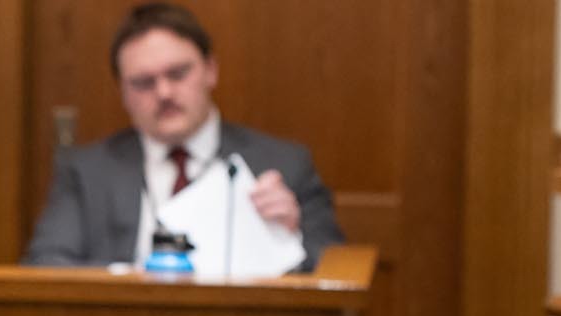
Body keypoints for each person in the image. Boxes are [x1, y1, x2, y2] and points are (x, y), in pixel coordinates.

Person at [23, 2, 343, 271]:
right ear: (123, 93)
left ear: (210, 70)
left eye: (177, 74)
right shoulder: (86, 171)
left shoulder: (284, 164)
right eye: (143, 82)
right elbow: (46, 265)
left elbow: (335, 267)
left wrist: (291, 236)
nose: (164, 92)